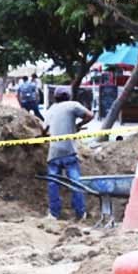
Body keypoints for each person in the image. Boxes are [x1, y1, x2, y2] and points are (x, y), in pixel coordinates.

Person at [44, 86, 94, 220]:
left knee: (53, 183)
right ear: (68, 96)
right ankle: (80, 212)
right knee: (75, 182)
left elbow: (45, 131)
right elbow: (90, 115)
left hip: (54, 153)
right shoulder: (73, 105)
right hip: (69, 151)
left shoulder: (51, 110)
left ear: (55, 97)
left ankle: (54, 214)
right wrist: (78, 126)